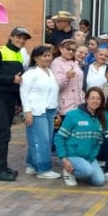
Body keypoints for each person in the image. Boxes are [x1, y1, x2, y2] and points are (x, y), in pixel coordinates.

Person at [20, 45, 61, 179]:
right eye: (44, 55)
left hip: (50, 110)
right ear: (36, 58)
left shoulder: (49, 72)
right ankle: (43, 170)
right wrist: (27, 111)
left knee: (46, 139)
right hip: (36, 111)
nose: (48, 58)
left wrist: (56, 110)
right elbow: (24, 92)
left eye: (49, 55)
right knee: (41, 140)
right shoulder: (31, 73)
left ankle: (32, 164)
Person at [0, 27, 30, 181]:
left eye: (24, 39)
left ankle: (0, 166)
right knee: (3, 133)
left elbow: (18, 81)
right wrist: (11, 79)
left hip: (9, 100)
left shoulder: (19, 56)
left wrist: (19, 102)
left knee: (2, 133)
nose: (21, 41)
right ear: (11, 37)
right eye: (18, 37)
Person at [54, 87, 106, 187]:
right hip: (71, 156)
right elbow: (59, 137)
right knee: (88, 171)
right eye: (92, 98)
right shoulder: (73, 115)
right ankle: (69, 171)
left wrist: (92, 156)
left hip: (89, 157)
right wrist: (63, 158)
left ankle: (82, 172)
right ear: (86, 99)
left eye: (98, 98)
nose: (95, 101)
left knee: (99, 181)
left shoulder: (100, 118)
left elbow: (99, 142)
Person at [51, 39, 85, 118]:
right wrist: (67, 77)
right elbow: (57, 85)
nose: (71, 52)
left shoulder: (74, 62)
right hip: (66, 105)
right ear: (61, 49)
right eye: (68, 49)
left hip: (79, 103)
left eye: (73, 50)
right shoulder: (56, 63)